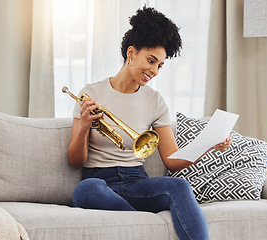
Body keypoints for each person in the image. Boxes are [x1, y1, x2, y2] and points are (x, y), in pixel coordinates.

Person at [68, 6, 232, 240]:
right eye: (151, 60)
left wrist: (210, 143)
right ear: (131, 53)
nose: (154, 71)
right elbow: (75, 161)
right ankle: (142, 225)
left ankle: (134, 223)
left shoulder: (155, 101)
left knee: (179, 186)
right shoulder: (91, 93)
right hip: (98, 181)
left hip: (136, 182)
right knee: (86, 189)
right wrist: (84, 125)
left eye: (160, 65)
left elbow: (172, 161)